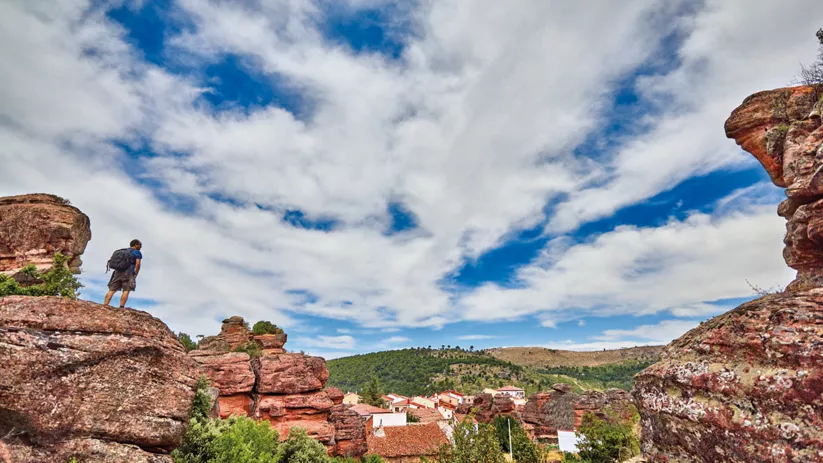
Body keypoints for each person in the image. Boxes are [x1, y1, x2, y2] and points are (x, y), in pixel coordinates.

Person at [104, 239, 142, 308]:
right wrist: (135, 274)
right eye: (140, 244)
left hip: (117, 272)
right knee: (126, 290)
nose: (141, 246)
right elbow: (138, 264)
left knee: (112, 289)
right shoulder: (136, 252)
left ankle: (105, 305)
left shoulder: (122, 251)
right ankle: (121, 307)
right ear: (136, 245)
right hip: (129, 273)